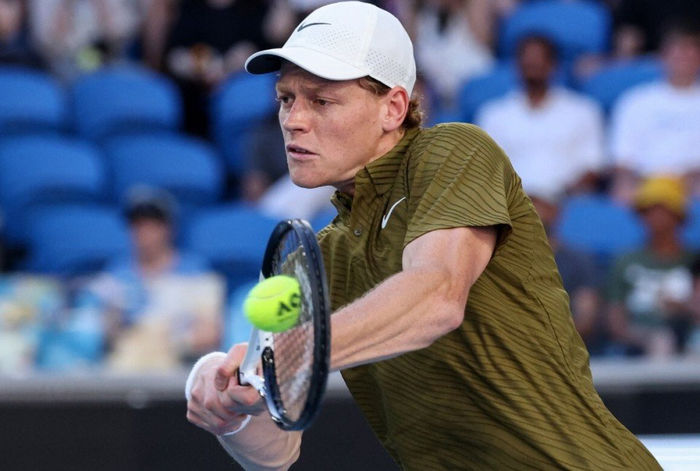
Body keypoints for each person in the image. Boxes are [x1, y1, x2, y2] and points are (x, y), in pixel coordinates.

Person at [185, 2, 660, 469]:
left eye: (321, 100)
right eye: (286, 99)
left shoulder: (454, 149)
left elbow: (436, 297)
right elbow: (277, 452)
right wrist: (229, 405)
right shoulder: (315, 259)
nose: (293, 120)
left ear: (393, 108)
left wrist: (290, 354)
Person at [476, 34, 606, 198]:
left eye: (539, 60)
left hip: (567, 202)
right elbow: (486, 171)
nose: (533, 65)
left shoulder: (583, 111)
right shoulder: (493, 114)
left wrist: (558, 198)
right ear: (517, 66)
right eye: (528, 61)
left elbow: (592, 167)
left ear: (554, 65)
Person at [608, 21, 700, 202]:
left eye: (690, 50)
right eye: (678, 50)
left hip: (693, 188)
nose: (684, 57)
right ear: (663, 55)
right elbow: (621, 160)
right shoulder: (635, 101)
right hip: (644, 188)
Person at [607, 176, 697, 358]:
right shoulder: (626, 261)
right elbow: (615, 321)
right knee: (661, 341)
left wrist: (682, 308)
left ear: (679, 216)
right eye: (648, 211)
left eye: (663, 211)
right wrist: (646, 339)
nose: (655, 218)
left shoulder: (694, 260)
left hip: (690, 345)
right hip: (637, 348)